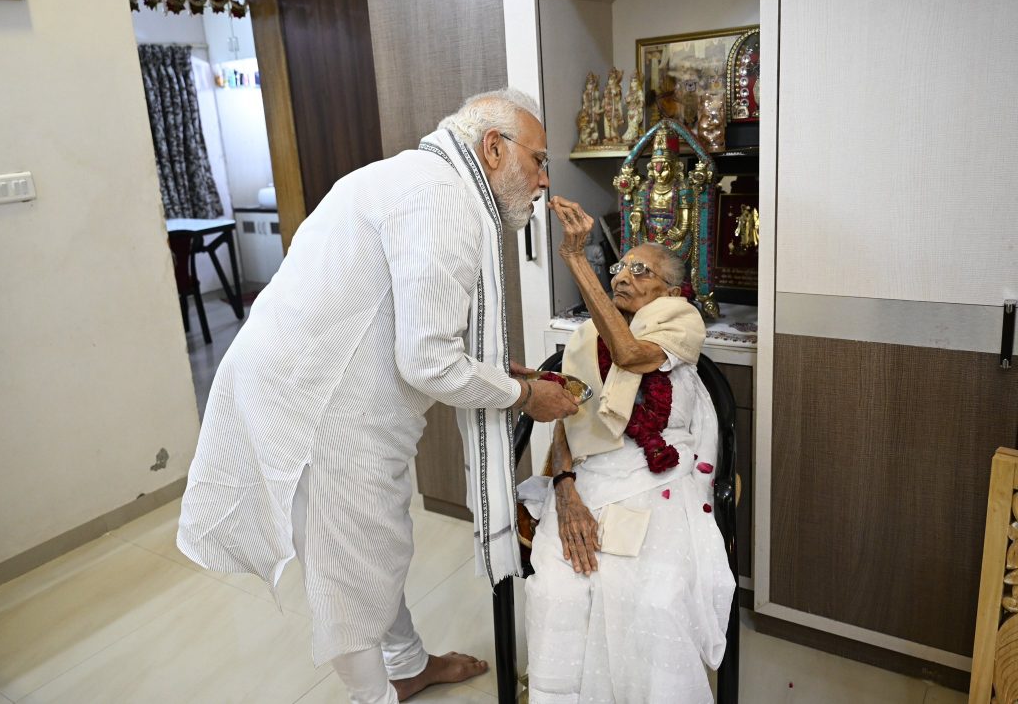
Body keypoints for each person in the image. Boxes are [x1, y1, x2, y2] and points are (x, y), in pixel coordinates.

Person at [176, 88, 579, 704]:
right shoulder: (444, 202)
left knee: (372, 549)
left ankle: (408, 664)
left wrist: (502, 370)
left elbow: (418, 326)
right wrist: (524, 395)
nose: (545, 178)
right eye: (540, 159)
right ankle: (375, 696)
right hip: (320, 400)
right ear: (493, 149)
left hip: (304, 376)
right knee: (354, 561)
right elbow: (429, 363)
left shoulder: (416, 176)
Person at [521, 197, 735, 703]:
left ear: (670, 289)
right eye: (619, 266)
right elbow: (567, 416)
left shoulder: (680, 320)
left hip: (661, 476)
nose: (622, 276)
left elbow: (631, 354)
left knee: (653, 595)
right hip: (591, 476)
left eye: (640, 270)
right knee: (558, 591)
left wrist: (578, 261)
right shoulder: (581, 338)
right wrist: (565, 488)